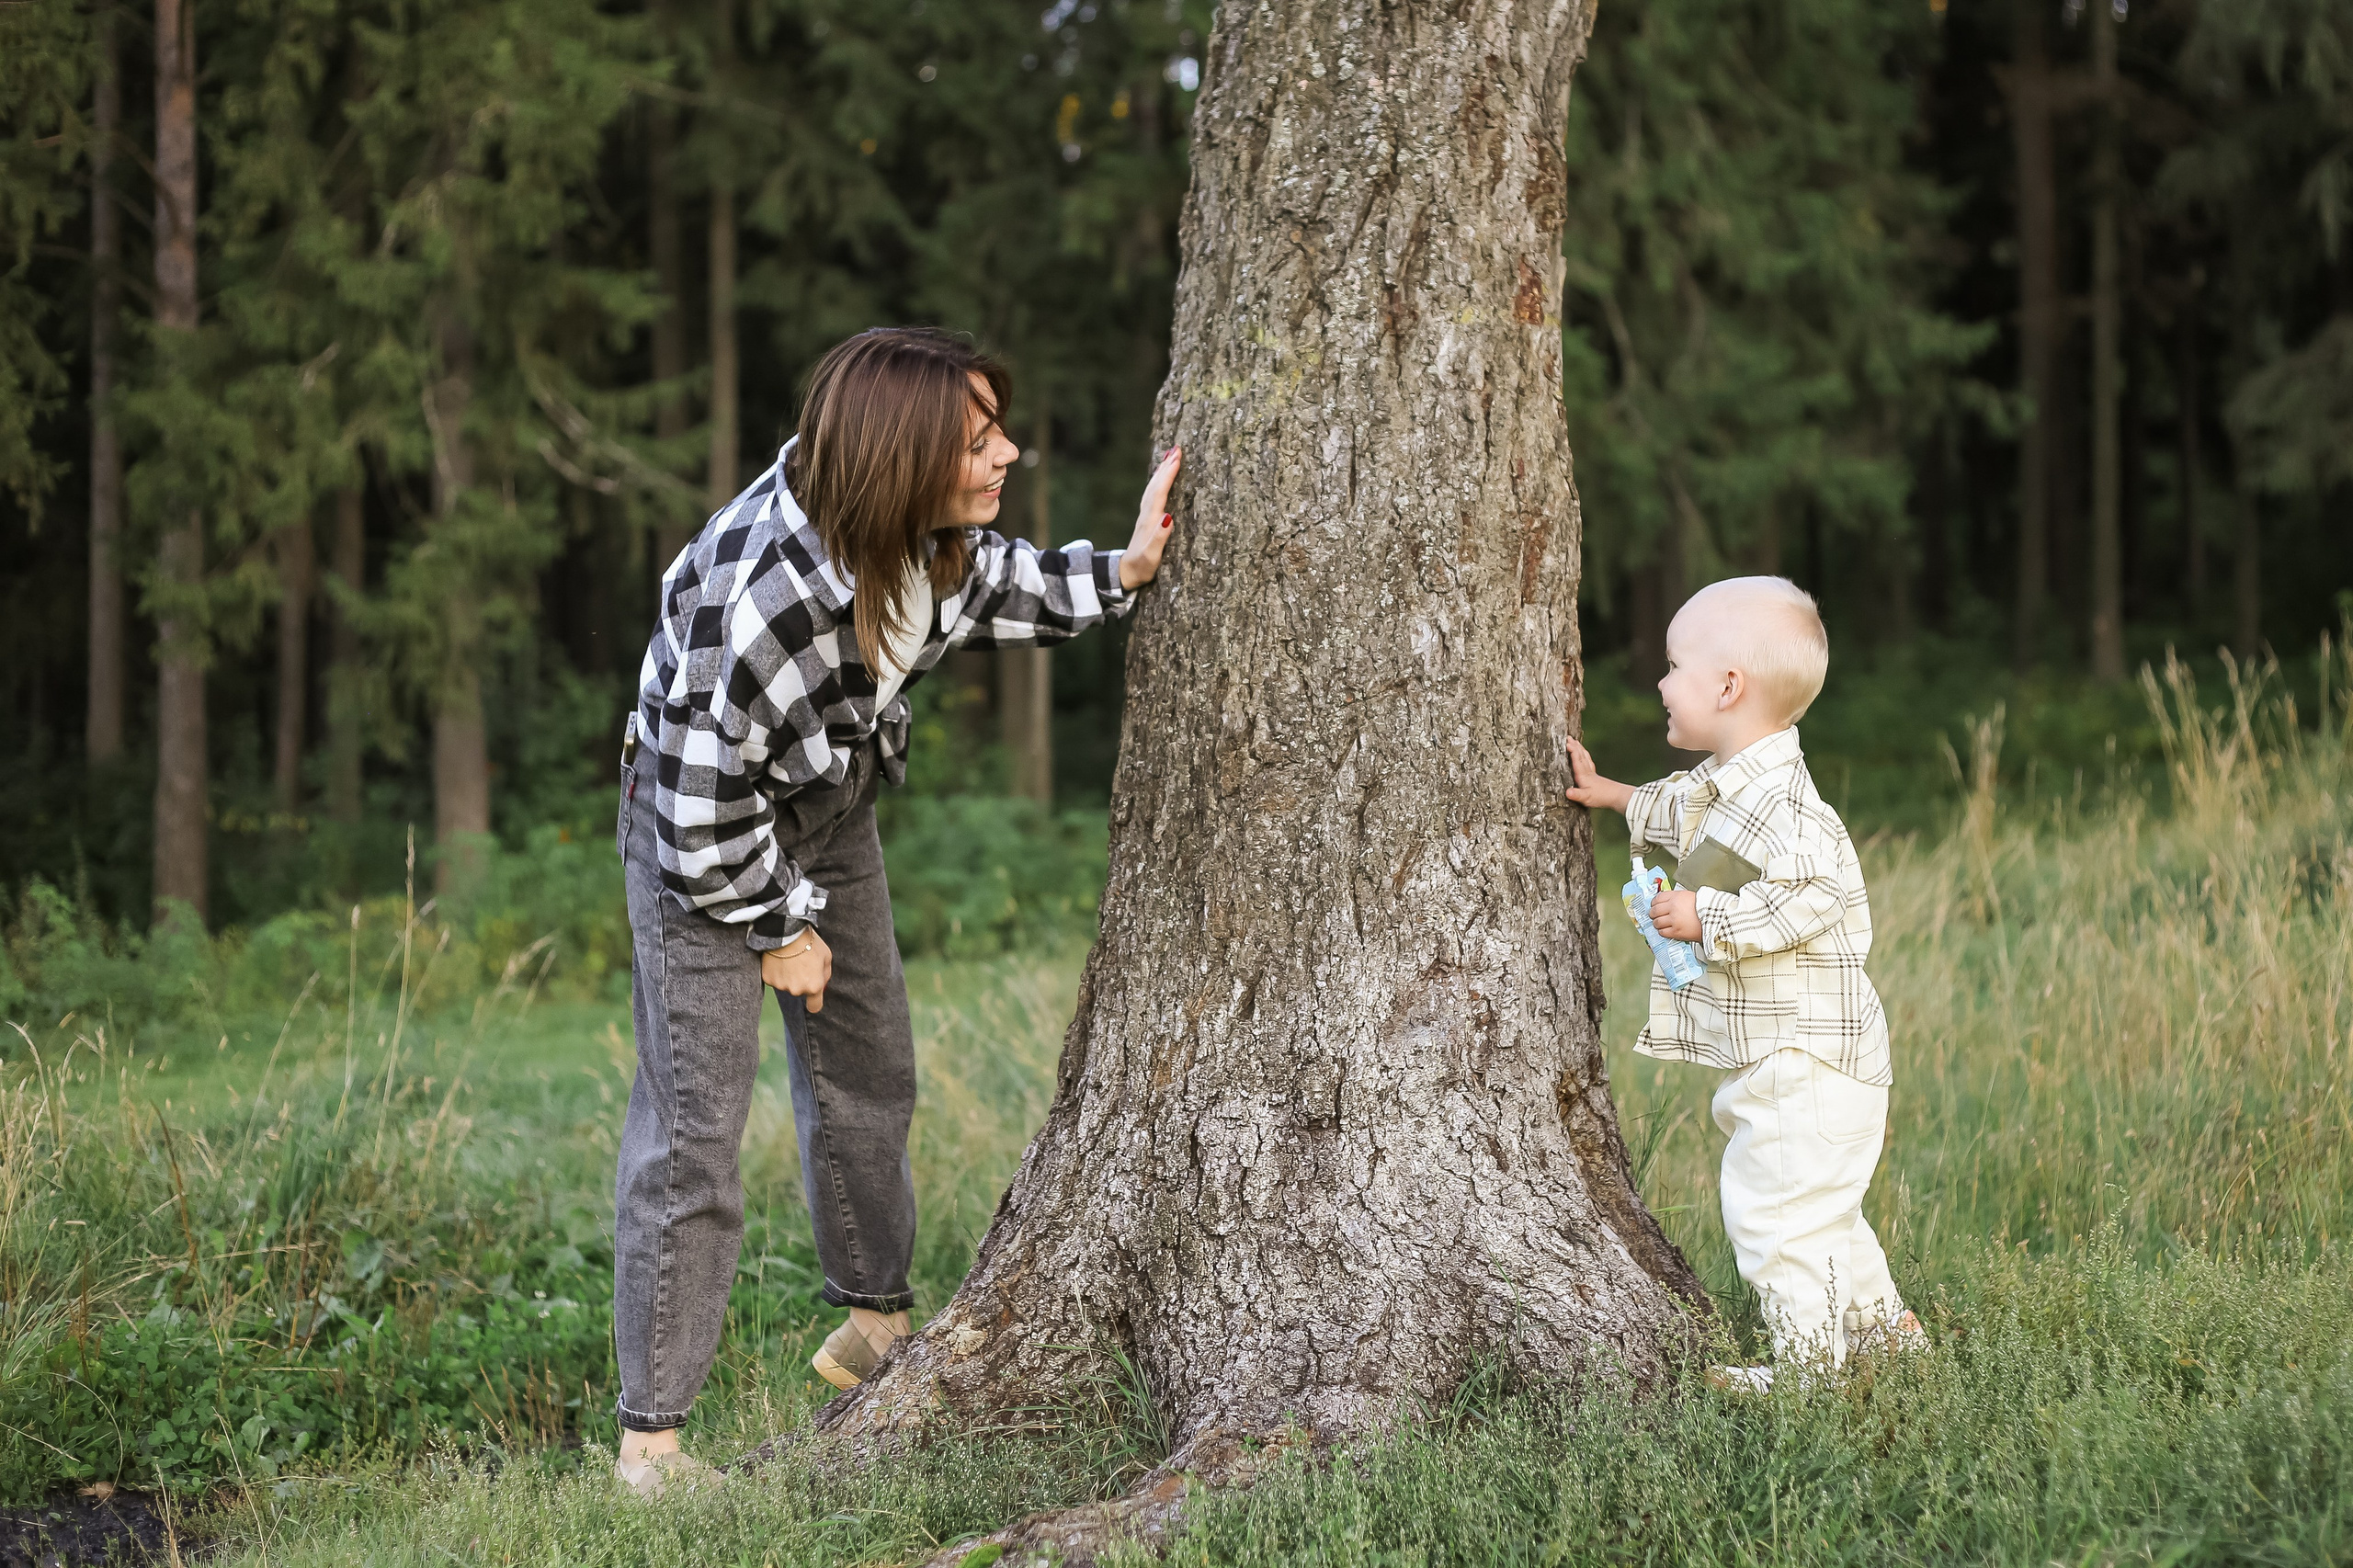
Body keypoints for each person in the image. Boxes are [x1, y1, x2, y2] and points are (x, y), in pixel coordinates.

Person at [610, 327, 1181, 1492]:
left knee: (874, 1068)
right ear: (903, 454)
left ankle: (873, 1324)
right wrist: (780, 926)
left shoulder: (915, 536)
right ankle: (652, 1443)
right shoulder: (773, 600)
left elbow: (985, 586)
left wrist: (1117, 572)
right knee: (695, 1136)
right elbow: (698, 813)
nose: (1008, 453)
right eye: (980, 441)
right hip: (699, 845)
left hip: (825, 802)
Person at [1564, 576, 1923, 1390]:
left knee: (1774, 1218)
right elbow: (1682, 809)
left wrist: (1710, 919)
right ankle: (1886, 1337)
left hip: (1805, 1066)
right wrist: (1615, 797)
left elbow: (1815, 895)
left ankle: (1810, 1378)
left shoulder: (1790, 807)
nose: (1659, 682)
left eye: (1674, 664)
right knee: (1822, 1215)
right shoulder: (1733, 778)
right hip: (1803, 1063)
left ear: (1728, 687)